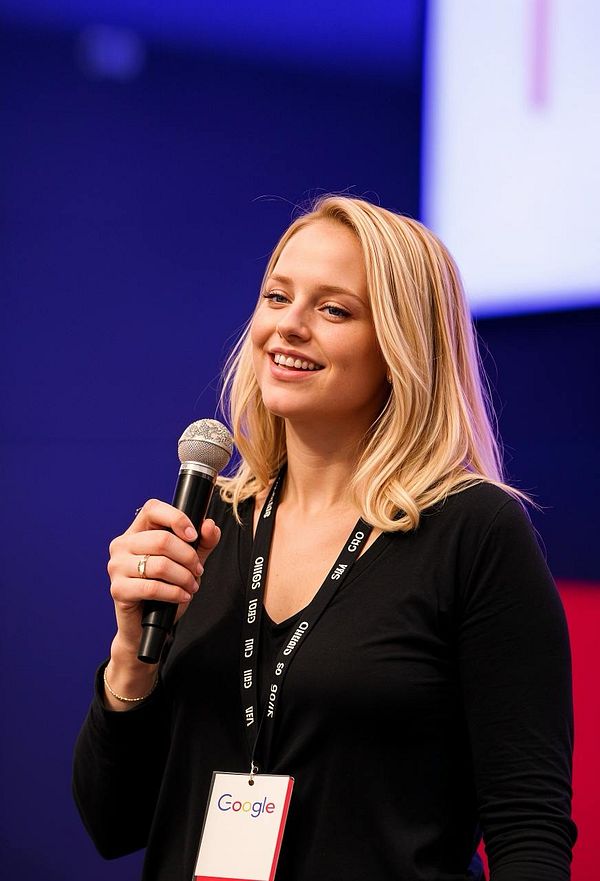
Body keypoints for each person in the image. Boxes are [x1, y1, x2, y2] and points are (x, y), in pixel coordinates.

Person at [73, 195, 576, 881]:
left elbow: (529, 825)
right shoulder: (206, 525)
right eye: (277, 297)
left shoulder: (475, 529)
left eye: (334, 309)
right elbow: (112, 822)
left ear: (401, 346)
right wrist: (131, 657)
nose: (288, 325)